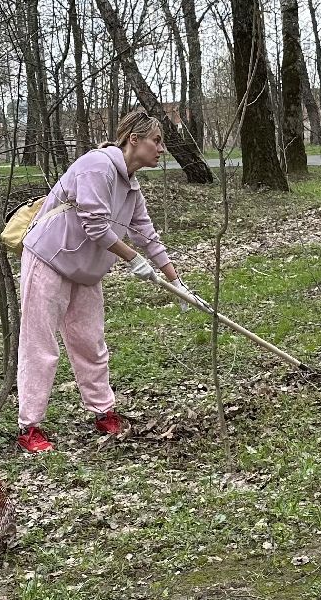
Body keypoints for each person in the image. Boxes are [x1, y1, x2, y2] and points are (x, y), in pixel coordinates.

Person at [16, 109, 199, 453]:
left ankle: (103, 412)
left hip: (87, 270)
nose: (161, 149)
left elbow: (146, 234)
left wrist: (177, 281)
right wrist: (134, 260)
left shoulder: (131, 186)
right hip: (50, 259)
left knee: (90, 342)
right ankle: (29, 427)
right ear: (134, 140)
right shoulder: (96, 166)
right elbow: (95, 225)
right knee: (41, 346)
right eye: (156, 141)